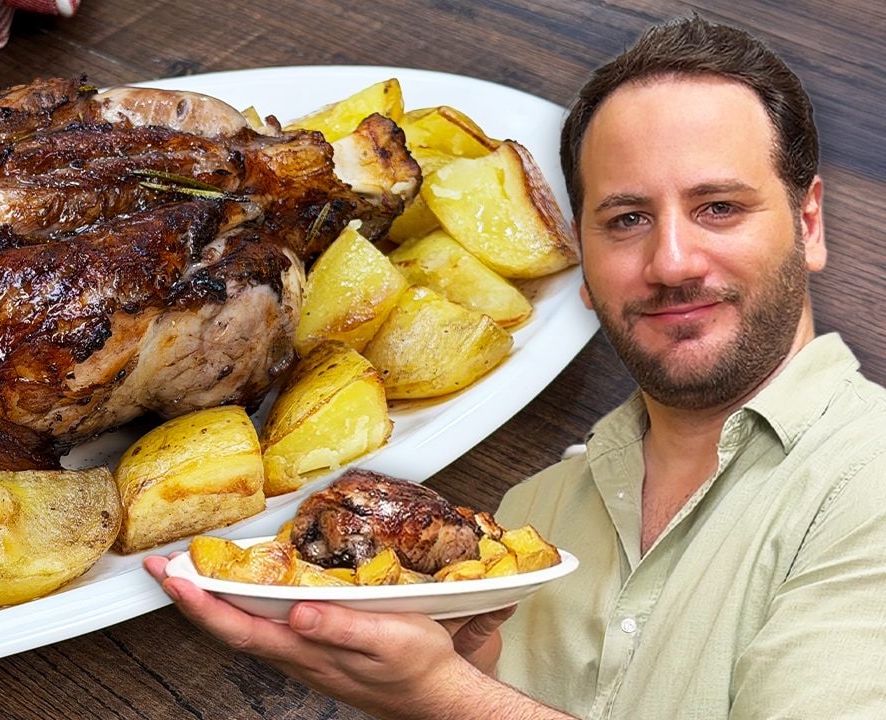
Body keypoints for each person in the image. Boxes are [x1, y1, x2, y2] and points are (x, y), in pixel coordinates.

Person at [144, 15, 886, 720]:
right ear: (585, 268)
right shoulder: (534, 515)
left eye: (719, 206)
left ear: (810, 224)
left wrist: (444, 699)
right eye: (626, 219)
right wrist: (461, 671)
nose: (671, 262)